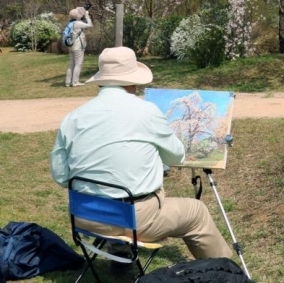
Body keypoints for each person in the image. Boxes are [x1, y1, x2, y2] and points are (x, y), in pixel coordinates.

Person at [50, 46, 232, 260]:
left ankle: (121, 259)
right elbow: (176, 156)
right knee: (197, 212)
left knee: (117, 194)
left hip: (84, 216)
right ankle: (223, 270)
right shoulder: (146, 111)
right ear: (133, 81)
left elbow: (61, 176)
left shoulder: (74, 117)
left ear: (101, 80)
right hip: (133, 219)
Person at [64, 6, 92, 87]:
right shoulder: (78, 23)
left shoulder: (70, 23)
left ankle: (68, 82)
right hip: (78, 46)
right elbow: (90, 25)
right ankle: (75, 82)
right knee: (78, 64)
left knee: (71, 64)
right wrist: (87, 16)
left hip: (71, 45)